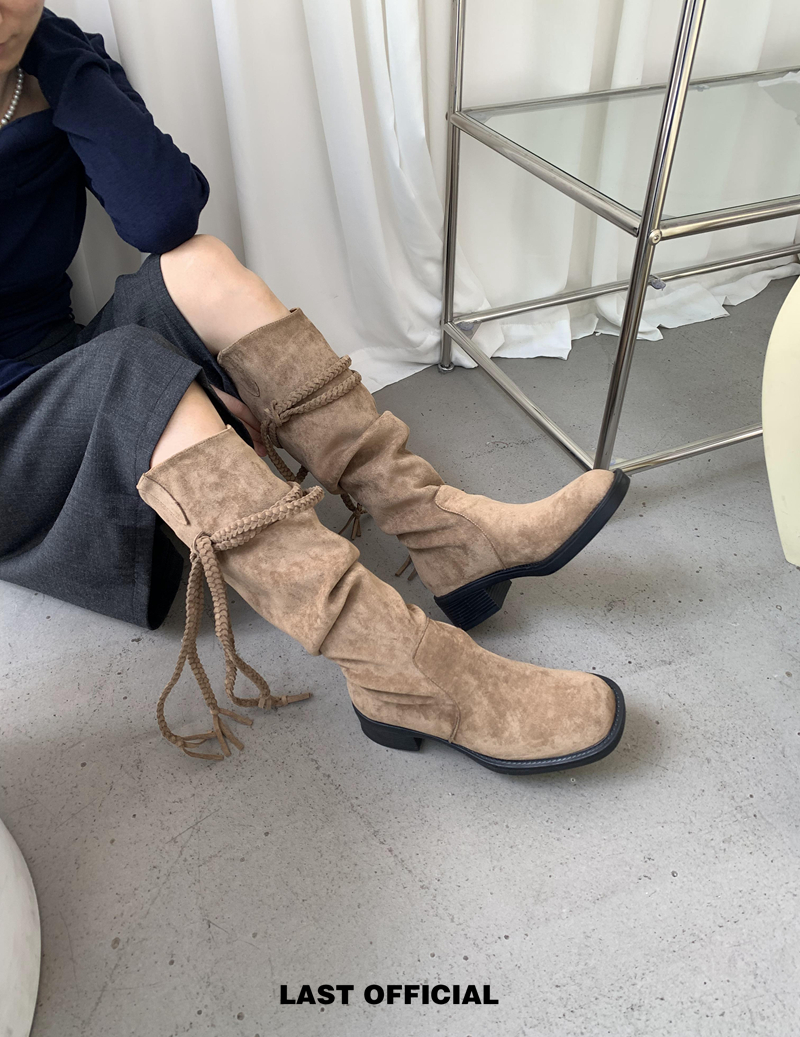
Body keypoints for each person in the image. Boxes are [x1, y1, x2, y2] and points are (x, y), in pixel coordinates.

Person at [0, 4, 629, 774]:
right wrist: (164, 388)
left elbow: (163, 213)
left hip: (65, 370)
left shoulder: (52, 54)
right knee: (131, 367)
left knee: (197, 261)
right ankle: (398, 667)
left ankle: (441, 528)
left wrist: (53, 51)